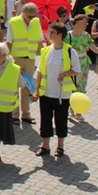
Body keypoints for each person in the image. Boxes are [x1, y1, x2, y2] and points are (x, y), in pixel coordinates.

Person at [31, 22, 80, 157]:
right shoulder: (46, 51)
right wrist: (36, 91)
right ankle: (45, 146)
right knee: (45, 120)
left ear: (59, 35)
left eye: (52, 32)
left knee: (61, 120)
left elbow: (76, 70)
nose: (49, 34)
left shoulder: (70, 51)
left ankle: (60, 146)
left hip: (62, 94)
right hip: (46, 92)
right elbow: (40, 72)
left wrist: (65, 74)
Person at [67, 14, 98, 121]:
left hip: (83, 65)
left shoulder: (86, 35)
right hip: (71, 66)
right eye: (83, 22)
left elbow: (94, 49)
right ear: (76, 24)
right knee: (71, 88)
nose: (86, 24)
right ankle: (71, 109)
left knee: (81, 88)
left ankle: (78, 112)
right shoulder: (68, 37)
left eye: (86, 22)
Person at [6, 3, 43, 125]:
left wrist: (43, 57)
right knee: (14, 87)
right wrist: (7, 58)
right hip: (15, 57)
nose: (31, 18)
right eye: (29, 16)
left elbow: (39, 41)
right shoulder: (13, 21)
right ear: (22, 13)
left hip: (30, 58)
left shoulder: (36, 22)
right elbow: (9, 42)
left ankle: (26, 114)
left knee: (27, 86)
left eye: (33, 16)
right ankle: (14, 114)